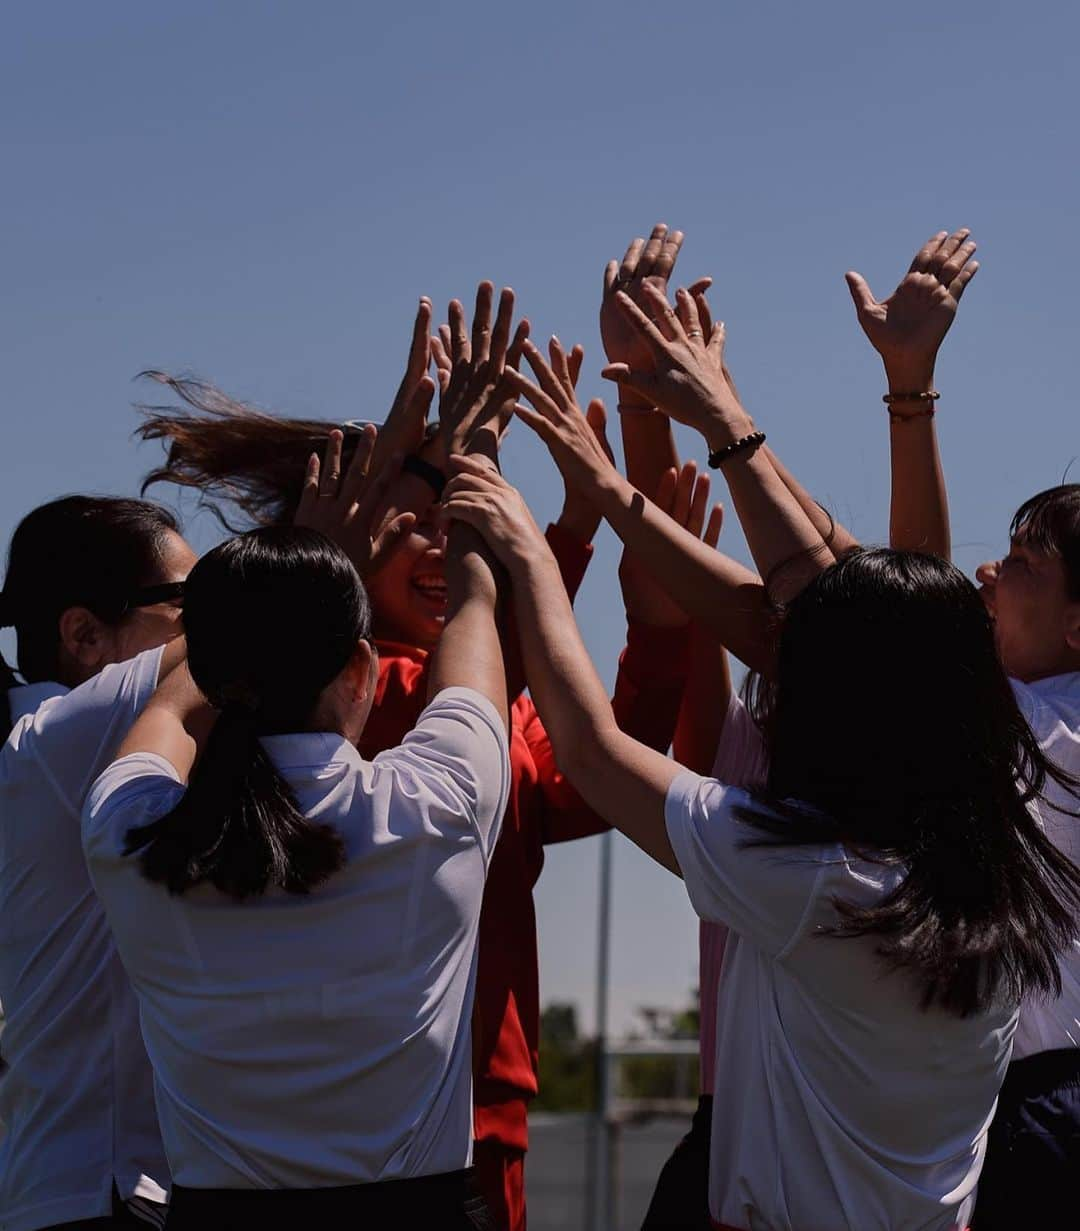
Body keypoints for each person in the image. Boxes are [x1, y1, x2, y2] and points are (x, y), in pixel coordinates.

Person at [439, 305, 1080, 1228]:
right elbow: (879, 606)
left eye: (1019, 564)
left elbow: (590, 747)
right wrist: (675, 454)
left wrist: (539, 549)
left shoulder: (811, 881)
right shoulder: (1005, 877)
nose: (988, 575)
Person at [134, 285, 693, 1231]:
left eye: (456, 516)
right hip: (412, 1152)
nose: (440, 543)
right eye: (414, 521)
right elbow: (460, 698)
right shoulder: (377, 698)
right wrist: (551, 544)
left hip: (480, 1114)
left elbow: (588, 780)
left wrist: (659, 622)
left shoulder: (457, 710)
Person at [82, 352, 511, 1227]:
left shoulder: (128, 834)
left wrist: (299, 569)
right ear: (361, 669)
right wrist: (471, 469)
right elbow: (473, 612)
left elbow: (175, 703)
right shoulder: (437, 803)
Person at [847, 231, 1080, 1228]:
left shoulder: (1052, 733)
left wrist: (910, 388)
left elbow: (919, 613)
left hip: (1046, 1112)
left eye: (1021, 561)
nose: (985, 572)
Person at [0, 495, 195, 1231]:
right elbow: (256, 623)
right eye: (187, 601)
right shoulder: (57, 738)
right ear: (83, 634)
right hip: (102, 1192)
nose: (206, 619)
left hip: (69, 1188)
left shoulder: (46, 741)